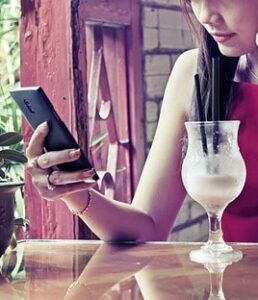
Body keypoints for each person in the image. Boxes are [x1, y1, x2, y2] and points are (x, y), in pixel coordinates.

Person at [26, 0, 258, 242]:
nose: (206, 15)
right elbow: (149, 226)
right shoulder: (196, 76)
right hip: (231, 278)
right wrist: (72, 191)